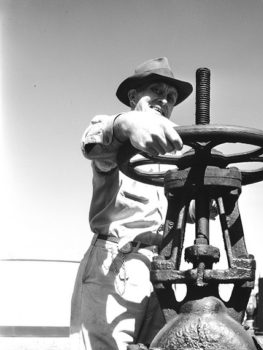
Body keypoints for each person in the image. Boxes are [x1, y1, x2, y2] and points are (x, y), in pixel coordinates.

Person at [70, 57, 193, 350]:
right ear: (133, 96)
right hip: (114, 266)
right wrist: (126, 123)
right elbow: (92, 141)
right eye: (156, 91)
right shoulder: (117, 142)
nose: (164, 100)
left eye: (171, 97)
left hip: (162, 271)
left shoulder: (177, 155)